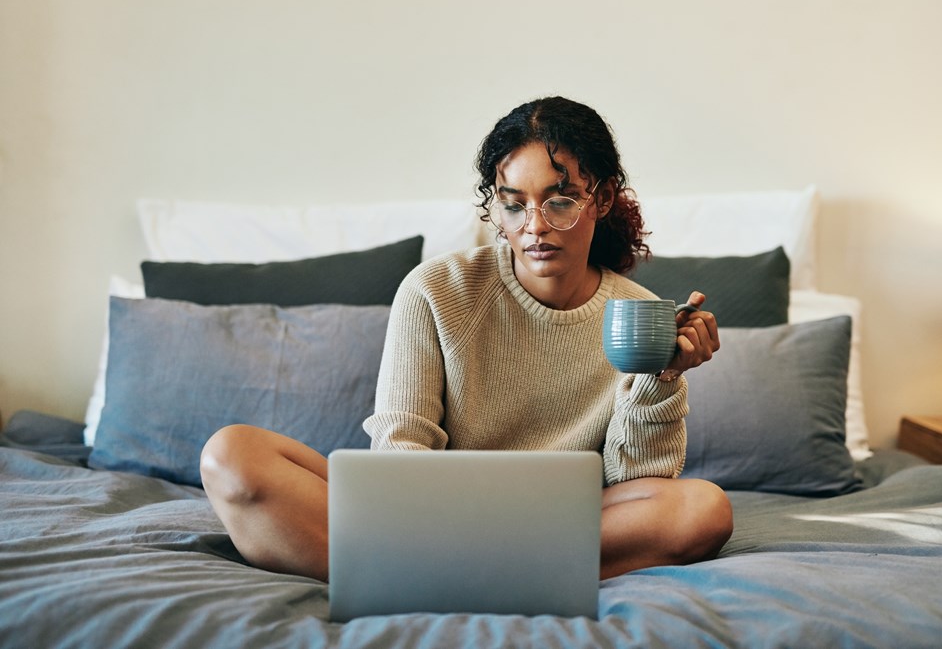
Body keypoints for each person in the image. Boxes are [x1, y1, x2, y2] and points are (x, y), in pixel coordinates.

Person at [200, 96, 733, 583]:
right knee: (231, 455)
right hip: (429, 516)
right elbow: (400, 448)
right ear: (495, 207)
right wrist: (453, 521)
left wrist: (661, 378)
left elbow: (633, 485)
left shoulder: (639, 315)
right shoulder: (435, 289)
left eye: (560, 200)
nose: (535, 226)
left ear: (602, 197)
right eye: (514, 204)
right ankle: (496, 572)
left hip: (556, 522)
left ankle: (410, 574)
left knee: (702, 509)